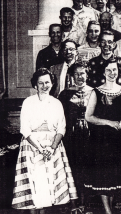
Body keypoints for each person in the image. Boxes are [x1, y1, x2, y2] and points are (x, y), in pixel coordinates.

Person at [12, 68, 77, 213]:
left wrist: (52, 148)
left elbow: (61, 128)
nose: (44, 86)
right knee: (35, 182)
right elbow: (25, 129)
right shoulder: (28, 102)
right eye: (40, 83)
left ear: (52, 83)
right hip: (32, 146)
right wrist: (41, 149)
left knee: (49, 186)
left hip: (53, 146)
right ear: (35, 85)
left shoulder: (56, 103)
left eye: (47, 82)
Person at [85, 57, 121, 214]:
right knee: (103, 176)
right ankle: (107, 211)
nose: (112, 73)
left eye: (114, 70)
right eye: (109, 70)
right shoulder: (95, 92)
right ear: (103, 73)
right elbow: (89, 117)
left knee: (114, 176)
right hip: (101, 139)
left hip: (118, 140)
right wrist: (109, 123)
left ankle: (109, 208)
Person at [58, 61, 93, 212]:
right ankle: (73, 204)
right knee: (72, 168)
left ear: (87, 74)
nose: (80, 77)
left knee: (87, 168)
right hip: (71, 135)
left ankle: (85, 203)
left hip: (89, 134)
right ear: (72, 76)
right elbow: (60, 116)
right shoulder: (64, 94)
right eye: (77, 74)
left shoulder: (94, 92)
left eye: (83, 73)